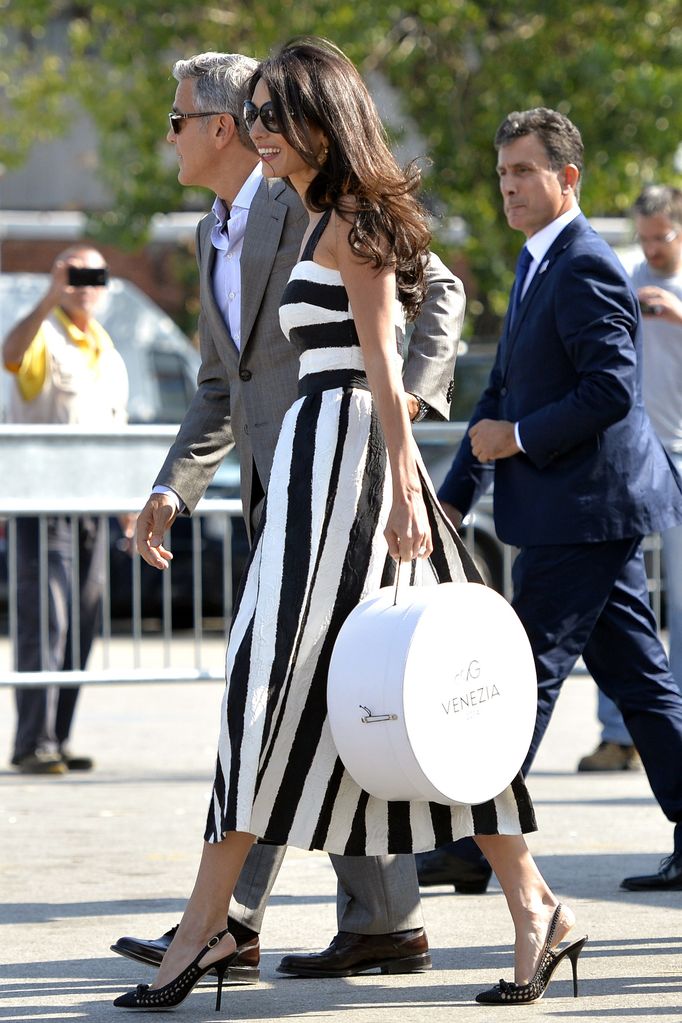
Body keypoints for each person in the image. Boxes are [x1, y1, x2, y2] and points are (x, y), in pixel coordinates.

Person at [113, 41, 584, 1012]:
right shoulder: (289, 219)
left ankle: (210, 930)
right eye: (253, 120)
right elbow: (229, 380)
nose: (258, 136)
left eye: (274, 120)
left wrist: (405, 482)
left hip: (349, 481)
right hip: (304, 479)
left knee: (274, 694)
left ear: (319, 122)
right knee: (371, 710)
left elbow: (388, 351)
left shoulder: (355, 219)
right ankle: (527, 905)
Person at [434, 107, 682, 895]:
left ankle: (477, 844)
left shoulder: (585, 262)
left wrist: (518, 440)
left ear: (567, 178)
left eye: (524, 172)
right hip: (574, 512)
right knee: (642, 682)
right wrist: (455, 491)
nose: (508, 186)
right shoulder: (534, 259)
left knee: (520, 676)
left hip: (586, 511)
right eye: (502, 172)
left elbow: (610, 389)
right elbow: (506, 384)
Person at [3, 245, 129, 775]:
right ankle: (33, 742)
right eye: (74, 275)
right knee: (44, 621)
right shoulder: (42, 333)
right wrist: (48, 296)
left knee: (81, 622)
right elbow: (9, 354)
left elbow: (116, 428)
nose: (84, 285)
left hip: (96, 505)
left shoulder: (105, 344)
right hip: (45, 502)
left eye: (93, 276)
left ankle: (57, 735)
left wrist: (128, 502)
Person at [577, 185, 682, 775]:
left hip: (681, 454)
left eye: (661, 237)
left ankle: (675, 731)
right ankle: (619, 735)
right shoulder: (624, 276)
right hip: (634, 456)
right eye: (643, 238)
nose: (651, 250)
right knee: (617, 599)